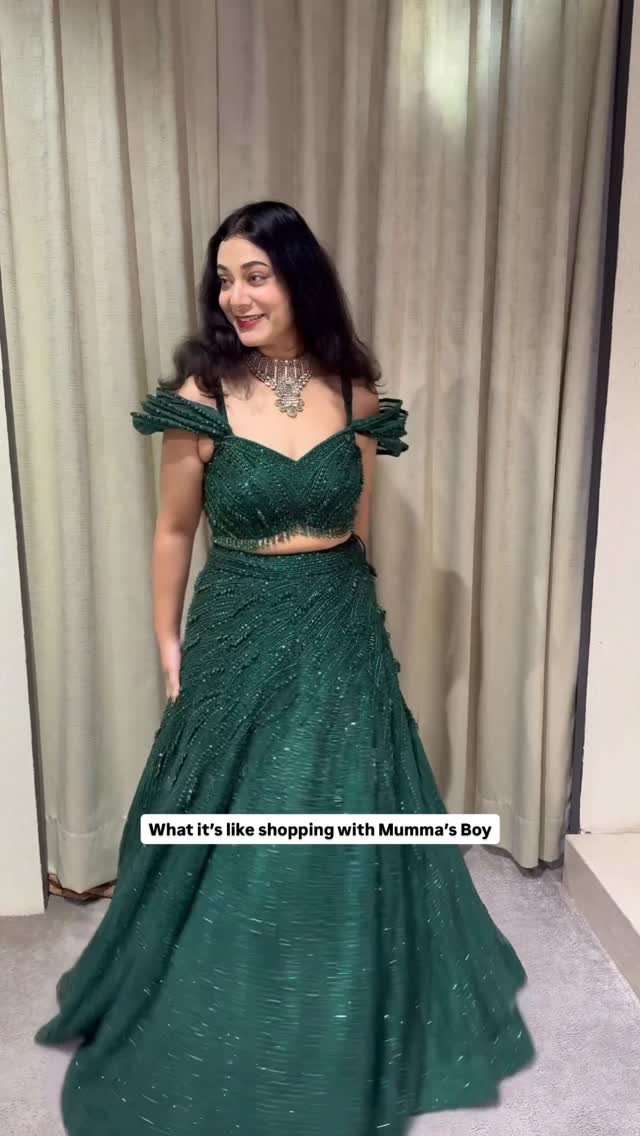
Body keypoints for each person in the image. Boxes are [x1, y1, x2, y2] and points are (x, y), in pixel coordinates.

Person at [36, 200, 535, 1135]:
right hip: (239, 618)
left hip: (337, 615)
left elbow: (359, 522)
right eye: (225, 279)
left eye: (256, 275)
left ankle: (338, 992)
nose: (237, 296)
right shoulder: (201, 395)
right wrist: (169, 644)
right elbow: (174, 531)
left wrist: (361, 627)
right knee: (234, 813)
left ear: (298, 277)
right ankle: (233, 991)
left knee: (346, 804)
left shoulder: (356, 393)